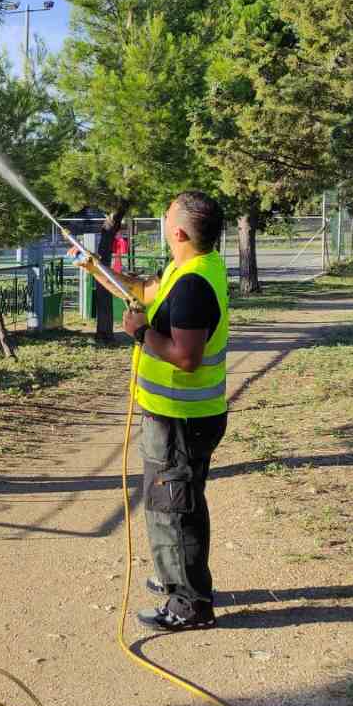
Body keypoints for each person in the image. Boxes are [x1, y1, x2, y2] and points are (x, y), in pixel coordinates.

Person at [75, 191, 230, 631]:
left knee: (174, 508)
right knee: (169, 503)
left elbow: (186, 356)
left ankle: (190, 605)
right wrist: (97, 270)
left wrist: (141, 333)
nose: (161, 222)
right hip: (175, 416)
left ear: (178, 231)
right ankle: (172, 577)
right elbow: (144, 291)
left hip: (180, 419)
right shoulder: (192, 266)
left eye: (165, 218)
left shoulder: (193, 285)